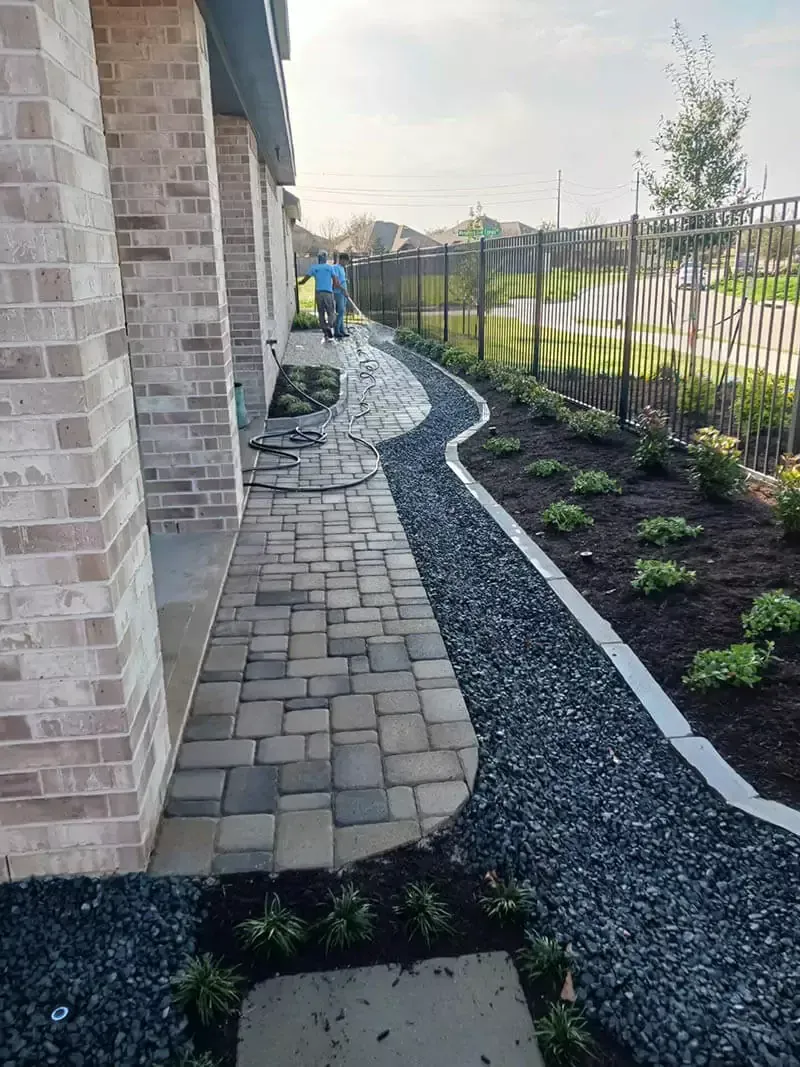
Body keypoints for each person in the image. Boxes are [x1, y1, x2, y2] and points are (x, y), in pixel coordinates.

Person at [300, 251, 340, 340]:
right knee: (331, 312)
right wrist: (334, 287)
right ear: (325, 258)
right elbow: (336, 281)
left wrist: (299, 283)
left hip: (319, 293)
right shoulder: (330, 268)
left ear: (318, 258)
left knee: (321, 313)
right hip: (328, 293)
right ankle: (329, 326)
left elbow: (305, 279)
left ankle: (325, 331)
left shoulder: (314, 268)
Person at [332, 253, 350, 339]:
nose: (347, 263)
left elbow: (342, 279)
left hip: (343, 292)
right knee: (340, 311)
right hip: (338, 292)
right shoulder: (335, 268)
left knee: (342, 311)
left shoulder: (342, 268)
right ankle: (336, 331)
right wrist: (343, 290)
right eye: (346, 261)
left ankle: (342, 330)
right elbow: (335, 282)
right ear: (342, 260)